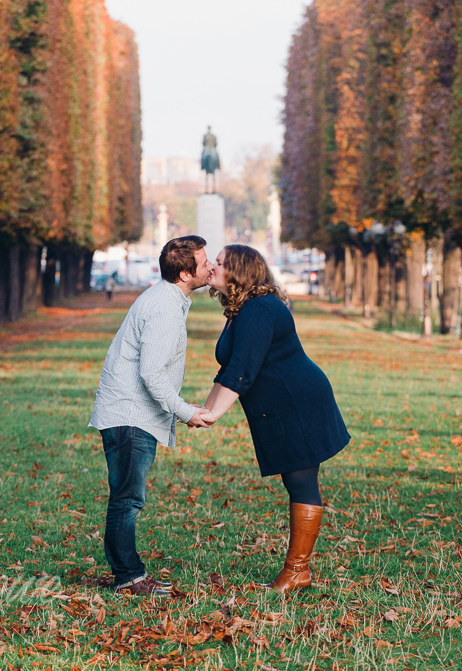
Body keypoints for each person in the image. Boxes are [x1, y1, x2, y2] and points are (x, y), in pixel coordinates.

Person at [201, 244, 350, 592]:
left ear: (239, 271)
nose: (213, 268)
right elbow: (228, 368)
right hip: (283, 404)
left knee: (301, 483)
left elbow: (242, 371)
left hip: (297, 404)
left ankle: (298, 571)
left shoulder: (259, 311)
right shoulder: (245, 309)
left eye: (220, 264)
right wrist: (204, 409)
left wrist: (211, 416)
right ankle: (298, 570)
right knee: (295, 482)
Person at [88, 235, 213, 596]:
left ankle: (127, 574)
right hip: (130, 416)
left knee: (126, 497)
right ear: (186, 273)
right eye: (204, 263)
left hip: (129, 413)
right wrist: (186, 412)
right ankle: (129, 577)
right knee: (127, 499)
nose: (210, 267)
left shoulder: (167, 298)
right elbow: (152, 373)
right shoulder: (164, 307)